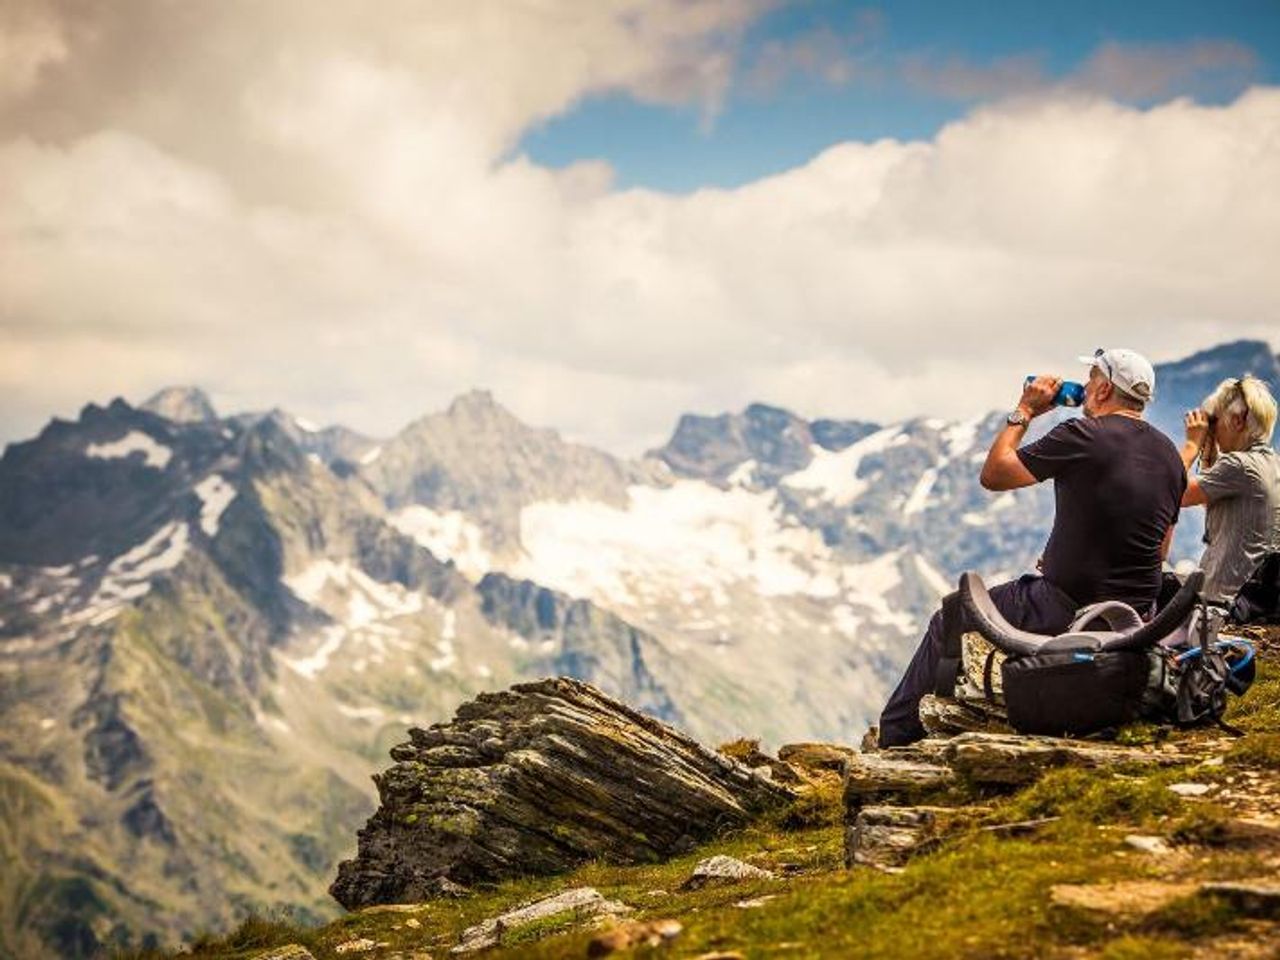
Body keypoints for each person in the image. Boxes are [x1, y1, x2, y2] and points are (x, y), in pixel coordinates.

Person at [877, 347, 1186, 747]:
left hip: (1065, 604)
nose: (1085, 387)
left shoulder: (1083, 434)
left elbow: (995, 474)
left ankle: (901, 740)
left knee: (950, 618)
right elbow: (1159, 551)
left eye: (1091, 379)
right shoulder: (1169, 455)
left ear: (1105, 388)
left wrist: (1024, 409)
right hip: (1136, 616)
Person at [1180, 375, 1280, 604]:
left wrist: (1192, 444)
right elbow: (1211, 499)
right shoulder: (1272, 463)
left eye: (1213, 422)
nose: (1211, 431)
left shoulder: (1239, 466)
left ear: (1237, 421)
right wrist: (1207, 454)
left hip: (1221, 601)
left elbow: (1171, 493)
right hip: (1252, 601)